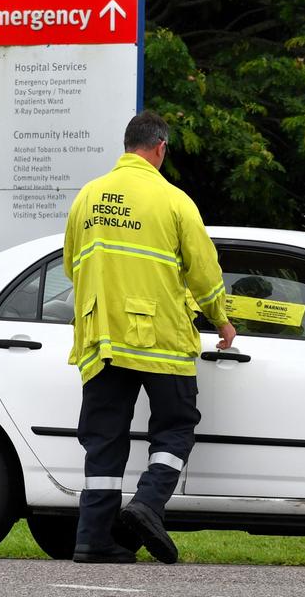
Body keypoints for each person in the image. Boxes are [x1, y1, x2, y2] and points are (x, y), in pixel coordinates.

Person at [63, 110, 236, 564]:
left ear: (127, 145)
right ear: (160, 148)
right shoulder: (174, 200)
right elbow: (204, 272)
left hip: (100, 336)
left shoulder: (88, 196)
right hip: (160, 337)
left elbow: (70, 263)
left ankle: (92, 539)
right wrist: (221, 319)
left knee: (103, 440)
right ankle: (147, 505)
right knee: (175, 426)